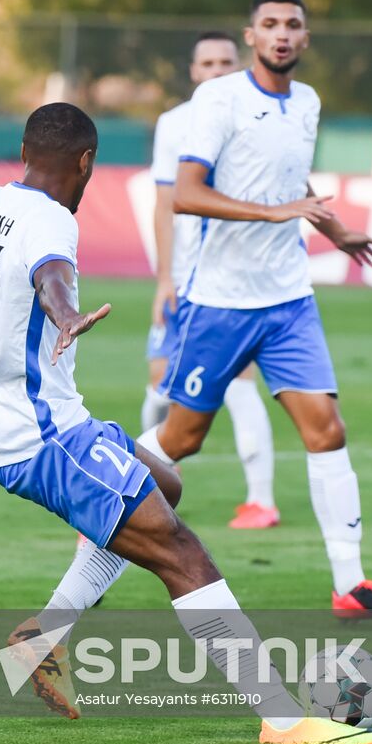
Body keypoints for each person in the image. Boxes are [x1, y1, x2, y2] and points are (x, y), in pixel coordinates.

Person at [0, 103, 372, 744]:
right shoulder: (52, 221)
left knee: (165, 484)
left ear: (24, 152)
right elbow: (52, 273)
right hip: (41, 438)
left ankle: (41, 639)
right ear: (86, 162)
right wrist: (66, 312)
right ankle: (283, 718)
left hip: (18, 421)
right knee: (181, 554)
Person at [145, 0, 372, 616]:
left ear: (305, 38)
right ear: (252, 36)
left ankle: (350, 584)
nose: (282, 34)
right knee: (182, 437)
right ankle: (107, 489)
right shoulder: (219, 99)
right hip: (219, 301)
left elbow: (291, 182)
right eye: (270, 24)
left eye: (293, 24)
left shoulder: (308, 104)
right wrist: (276, 213)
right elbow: (185, 193)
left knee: (326, 429)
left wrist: (331, 227)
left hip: (289, 298)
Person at [147, 31, 278, 529]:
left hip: (237, 283)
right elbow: (165, 204)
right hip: (184, 279)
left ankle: (261, 500)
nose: (218, 69)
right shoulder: (175, 124)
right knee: (159, 384)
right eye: (208, 62)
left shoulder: (259, 119)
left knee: (241, 386)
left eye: (227, 61)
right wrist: (164, 278)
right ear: (194, 71)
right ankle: (147, 493)